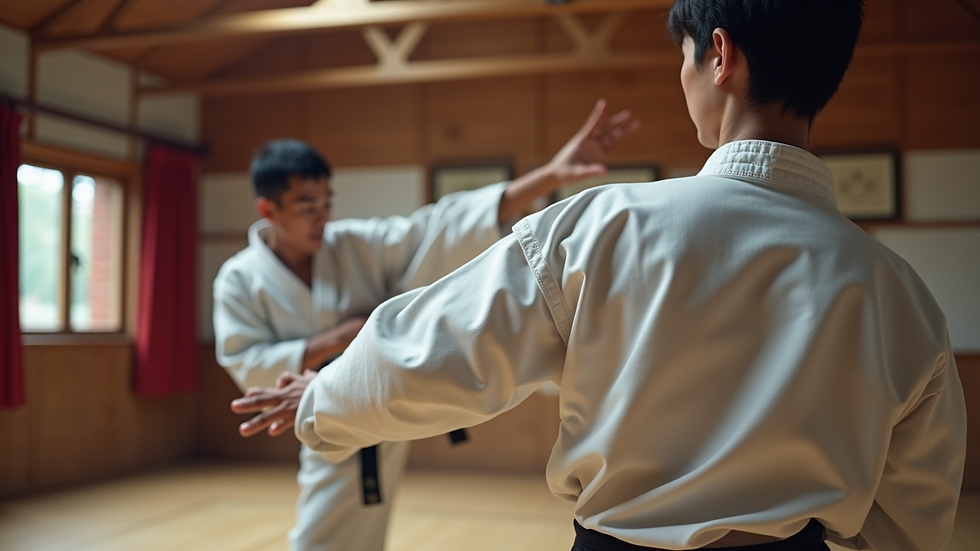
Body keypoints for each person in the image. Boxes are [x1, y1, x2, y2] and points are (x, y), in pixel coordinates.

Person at [233, 0, 968, 549]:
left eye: (684, 58)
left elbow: (446, 347)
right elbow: (913, 516)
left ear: (719, 55)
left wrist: (321, 396)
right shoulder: (898, 291)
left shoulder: (604, 227)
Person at [215, 101, 640, 551]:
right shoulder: (239, 279)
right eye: (306, 206)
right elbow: (247, 361)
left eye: (326, 203)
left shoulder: (352, 245)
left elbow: (436, 229)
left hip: (375, 394)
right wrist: (337, 339)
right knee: (329, 523)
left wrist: (552, 174)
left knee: (362, 518)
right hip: (322, 402)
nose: (322, 217)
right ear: (268, 210)